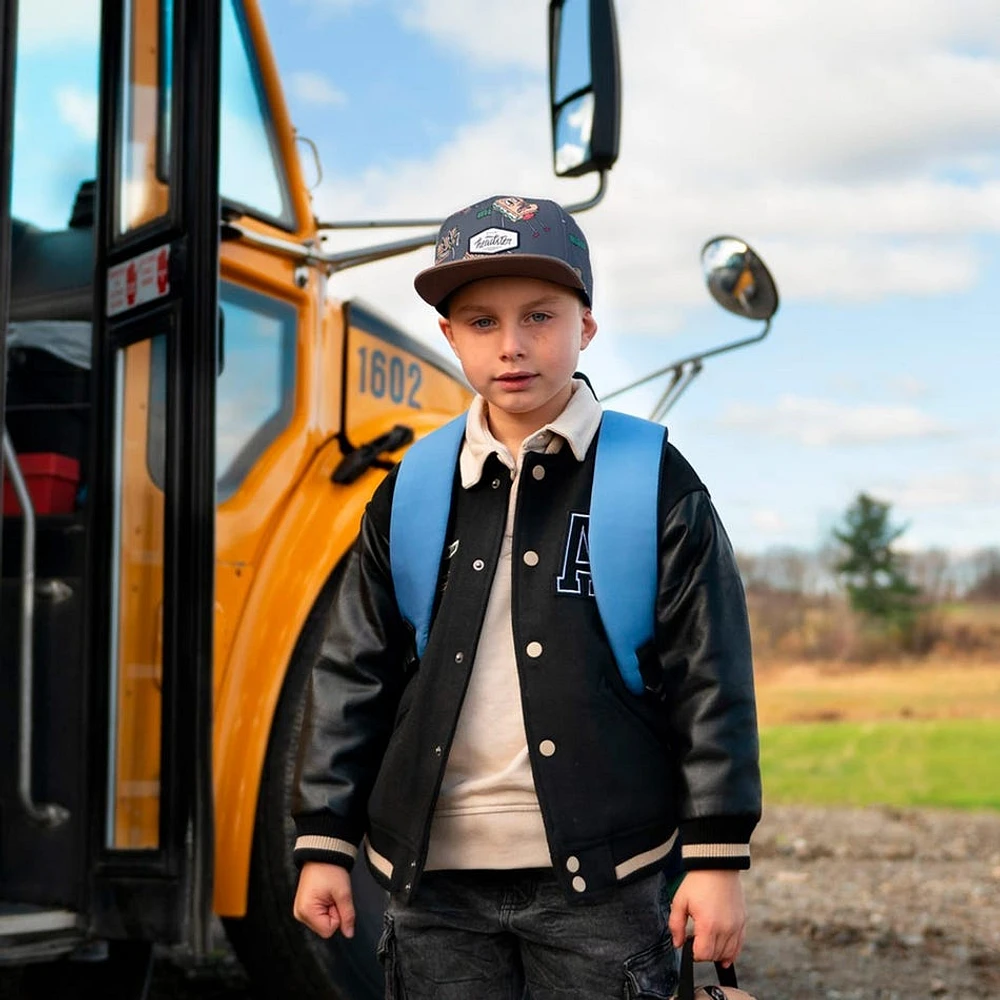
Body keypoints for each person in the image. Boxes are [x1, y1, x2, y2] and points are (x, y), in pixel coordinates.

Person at [291, 194, 762, 999]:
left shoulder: (652, 479)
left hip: (603, 886)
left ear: (585, 325)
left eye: (539, 316)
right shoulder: (411, 490)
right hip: (431, 884)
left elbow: (710, 675)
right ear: (449, 337)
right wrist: (324, 840)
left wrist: (716, 857)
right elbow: (351, 675)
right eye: (481, 322)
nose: (512, 346)